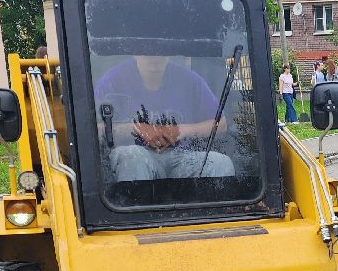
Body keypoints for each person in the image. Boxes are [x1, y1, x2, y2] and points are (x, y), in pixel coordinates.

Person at [93, 55, 234, 181]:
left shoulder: (189, 80)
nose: (154, 57)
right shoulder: (113, 80)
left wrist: (179, 131)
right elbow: (94, 129)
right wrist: (137, 129)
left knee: (220, 162)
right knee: (131, 156)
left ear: (168, 52)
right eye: (147, 51)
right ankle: (135, 209)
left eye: (159, 51)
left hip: (182, 156)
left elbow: (220, 124)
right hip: (137, 155)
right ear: (134, 51)